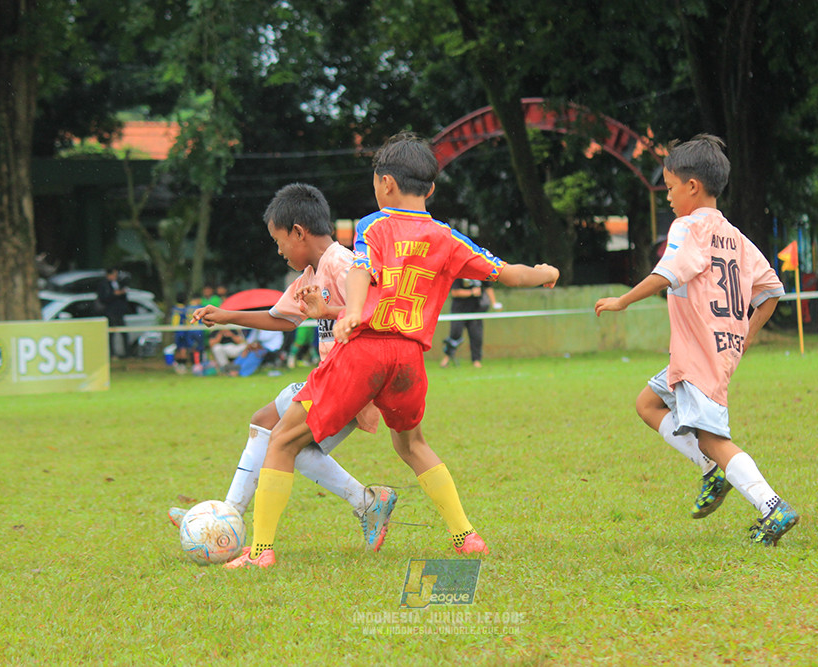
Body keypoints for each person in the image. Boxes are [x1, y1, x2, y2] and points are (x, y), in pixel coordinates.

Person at [225, 131, 559, 569]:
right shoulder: (447, 237)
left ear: (384, 184)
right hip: (408, 358)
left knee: (283, 439)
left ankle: (261, 552)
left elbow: (362, 270)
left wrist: (352, 313)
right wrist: (541, 272)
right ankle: (465, 535)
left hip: (365, 351)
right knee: (412, 444)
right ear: (431, 188)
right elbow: (504, 273)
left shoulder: (373, 226)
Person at [594, 134, 798, 546]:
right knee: (648, 403)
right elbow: (772, 291)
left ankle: (772, 506)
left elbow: (666, 274)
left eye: (669, 188)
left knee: (713, 437)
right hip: (713, 349)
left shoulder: (687, 226)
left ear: (692, 186)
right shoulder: (735, 236)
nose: (667, 197)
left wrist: (623, 300)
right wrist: (746, 337)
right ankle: (711, 471)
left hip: (699, 352)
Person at [174, 182, 395, 551]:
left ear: (299, 232)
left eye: (279, 241)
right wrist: (227, 316)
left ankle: (231, 516)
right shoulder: (309, 275)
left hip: (354, 381)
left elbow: (377, 309)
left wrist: (327, 312)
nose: (278, 251)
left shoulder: (341, 264)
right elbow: (282, 319)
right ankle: (228, 514)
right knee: (268, 426)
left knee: (282, 440)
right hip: (331, 379)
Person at [440, 279, 501, 368]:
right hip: (459, 310)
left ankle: (476, 361)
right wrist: (471, 292)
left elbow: (488, 287)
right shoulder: (459, 273)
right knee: (455, 335)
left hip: (476, 310)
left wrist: (494, 303)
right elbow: (454, 292)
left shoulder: (480, 272)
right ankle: (446, 358)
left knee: (476, 336)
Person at [97, 268, 130, 358]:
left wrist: (121, 294)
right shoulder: (103, 285)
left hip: (120, 312)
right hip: (110, 312)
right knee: (110, 334)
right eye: (114, 275)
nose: (116, 277)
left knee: (124, 332)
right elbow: (103, 298)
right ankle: (111, 354)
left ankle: (127, 354)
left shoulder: (120, 284)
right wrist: (114, 294)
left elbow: (125, 298)